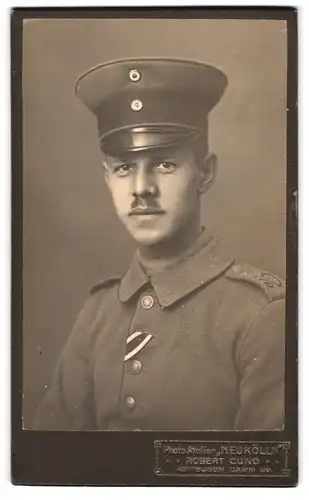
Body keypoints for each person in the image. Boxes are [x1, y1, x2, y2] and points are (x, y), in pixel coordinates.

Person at [34, 58, 285, 431]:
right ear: (107, 178)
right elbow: (48, 469)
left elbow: (264, 482)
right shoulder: (98, 313)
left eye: (164, 164)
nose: (141, 189)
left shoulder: (261, 314)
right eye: (124, 168)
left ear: (206, 172)